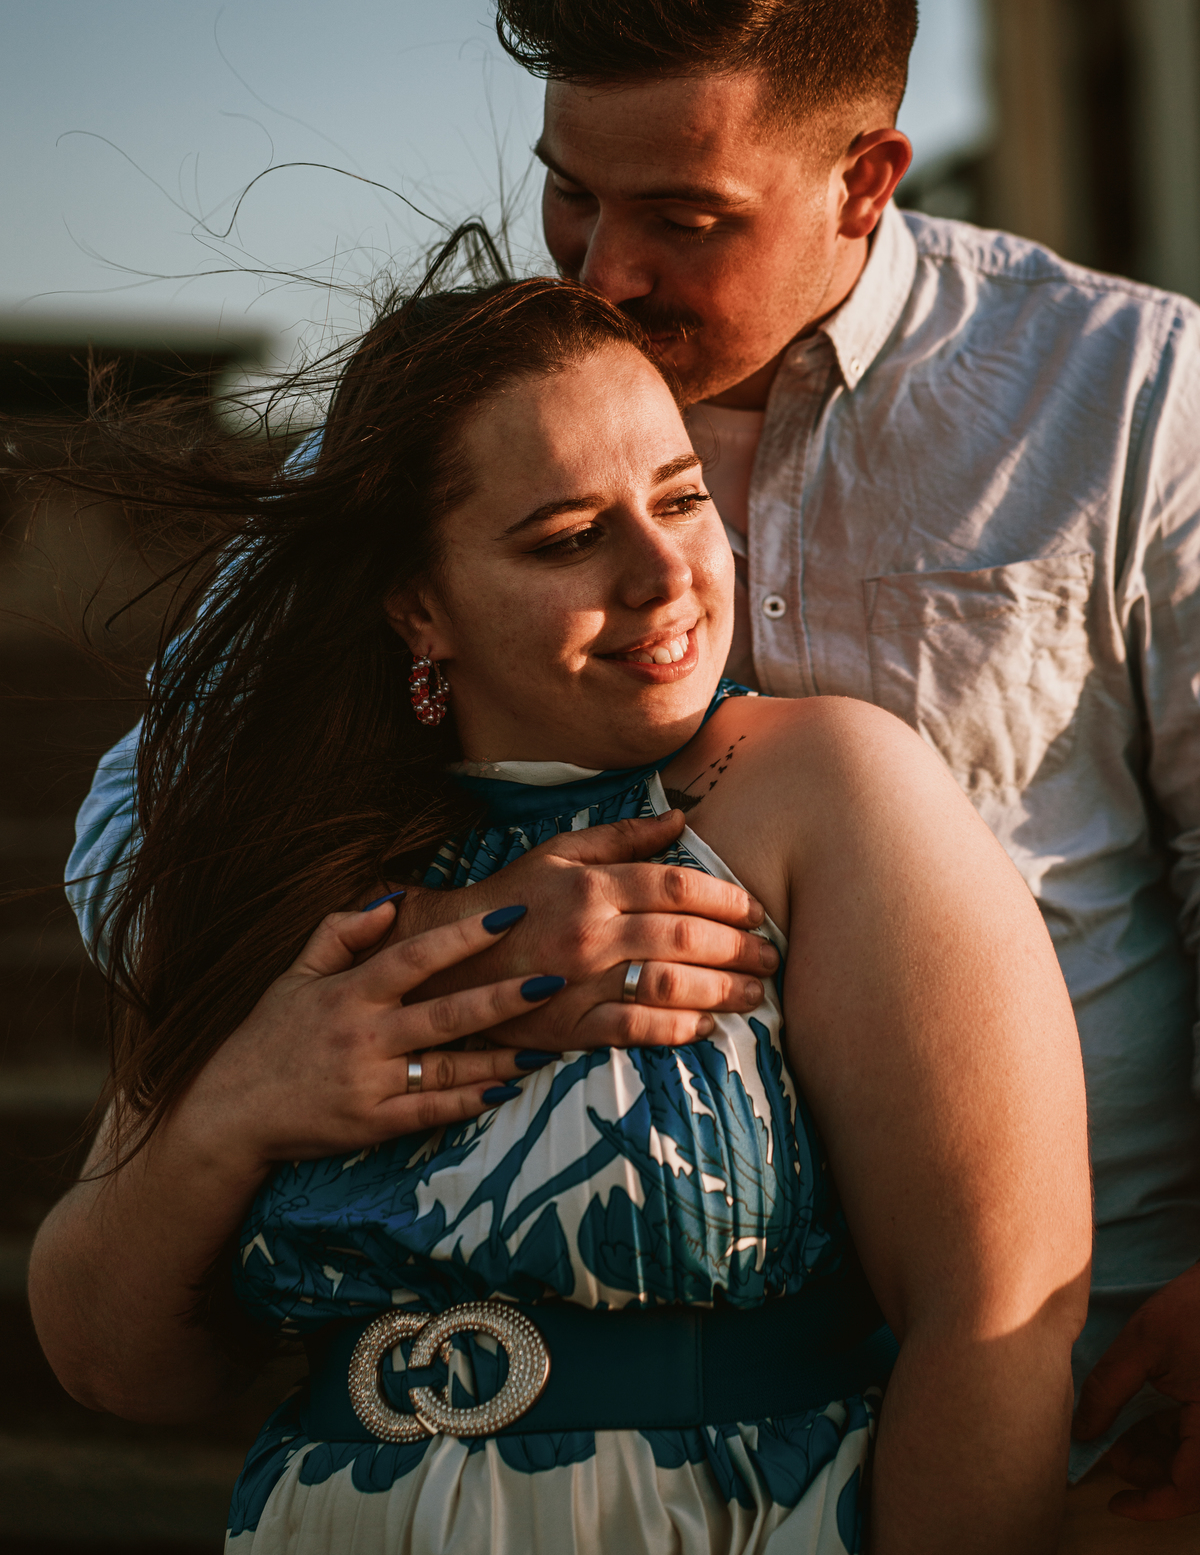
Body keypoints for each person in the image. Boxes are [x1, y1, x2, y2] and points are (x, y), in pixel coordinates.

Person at [66, 0, 1200, 1528]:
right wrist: (482, 939)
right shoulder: (439, 436)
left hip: (1083, 1367)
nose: (604, 267)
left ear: (867, 175)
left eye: (685, 215)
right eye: (569, 190)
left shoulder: (1130, 395)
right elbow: (130, 847)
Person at [31, 275, 1088, 1553]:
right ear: (417, 603)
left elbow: (996, 1321)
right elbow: (113, 1362)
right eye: (567, 536)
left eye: (684, 497)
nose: (663, 574)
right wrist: (241, 1102)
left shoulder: (826, 791)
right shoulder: (280, 862)